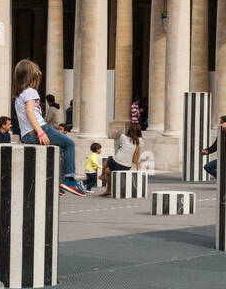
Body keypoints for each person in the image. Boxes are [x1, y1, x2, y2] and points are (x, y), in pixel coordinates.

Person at [13, 59, 86, 195]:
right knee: (69, 144)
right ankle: (69, 180)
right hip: (38, 129)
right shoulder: (30, 91)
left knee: (56, 151)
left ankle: (56, 183)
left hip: (26, 135)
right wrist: (40, 132)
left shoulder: (19, 95)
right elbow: (30, 112)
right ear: (32, 76)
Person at [99, 124, 143, 195]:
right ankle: (108, 190)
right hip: (126, 166)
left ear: (129, 130)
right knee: (108, 171)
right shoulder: (140, 141)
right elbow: (135, 160)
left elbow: (120, 146)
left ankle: (102, 175)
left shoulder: (123, 136)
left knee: (109, 158)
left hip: (116, 161)